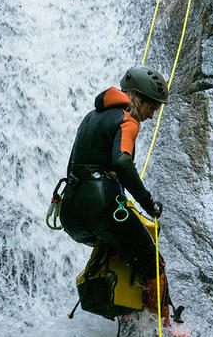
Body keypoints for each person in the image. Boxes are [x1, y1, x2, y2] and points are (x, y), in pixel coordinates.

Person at [60, 65, 170, 314]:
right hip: (101, 204)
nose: (151, 115)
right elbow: (122, 160)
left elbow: (72, 165)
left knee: (124, 253)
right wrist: (147, 203)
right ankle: (164, 329)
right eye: (152, 107)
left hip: (71, 211)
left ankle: (130, 318)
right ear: (138, 98)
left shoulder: (90, 117)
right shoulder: (128, 120)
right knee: (153, 262)